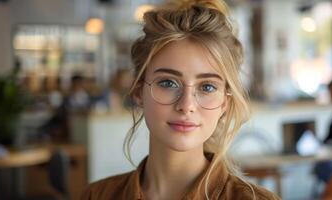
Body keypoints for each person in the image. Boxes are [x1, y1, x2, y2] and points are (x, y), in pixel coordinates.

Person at [81, 0, 280, 199]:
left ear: (225, 102)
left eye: (207, 87)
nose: (186, 105)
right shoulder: (97, 195)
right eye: (168, 83)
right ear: (139, 91)